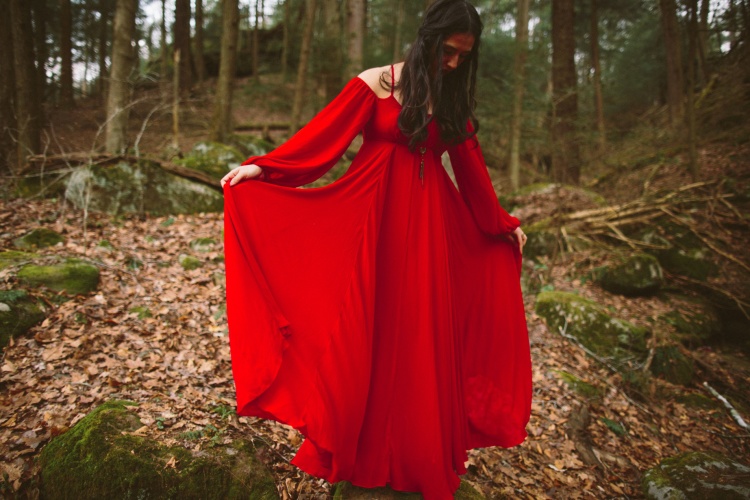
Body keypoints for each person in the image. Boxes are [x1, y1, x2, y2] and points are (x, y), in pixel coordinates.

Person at [221, 0, 531, 498]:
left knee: (419, 333)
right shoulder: (377, 84)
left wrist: (500, 225)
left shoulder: (451, 100)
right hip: (372, 221)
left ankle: (415, 452)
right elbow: (322, 141)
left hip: (430, 229)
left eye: (463, 57)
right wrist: (267, 169)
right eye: (449, 51)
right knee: (368, 329)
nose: (453, 63)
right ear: (428, 38)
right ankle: (360, 448)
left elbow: (473, 174)